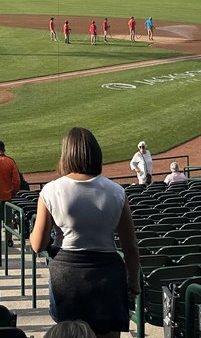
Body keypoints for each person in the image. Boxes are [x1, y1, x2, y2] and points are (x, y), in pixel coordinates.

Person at [29, 127, 140, 338]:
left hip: (67, 276)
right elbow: (130, 247)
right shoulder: (117, 192)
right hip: (108, 274)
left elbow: (37, 245)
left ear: (66, 155)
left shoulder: (50, 190)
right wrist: (133, 282)